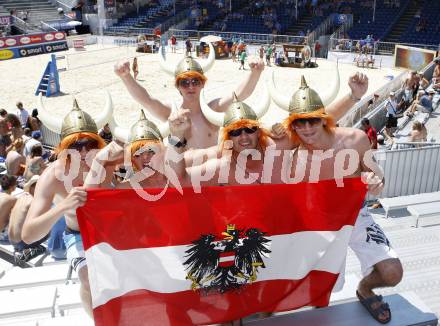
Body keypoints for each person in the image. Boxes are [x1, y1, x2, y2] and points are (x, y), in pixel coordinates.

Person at [279, 78, 402, 324]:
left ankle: (365, 288)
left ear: (324, 118)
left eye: (312, 120)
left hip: (356, 215)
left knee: (392, 273)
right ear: (292, 126)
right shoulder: (292, 158)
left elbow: (377, 176)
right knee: (324, 289)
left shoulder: (355, 140)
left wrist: (375, 180)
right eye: (299, 122)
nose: (306, 128)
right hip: (320, 224)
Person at [21, 101, 106, 316]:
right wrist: (64, 206)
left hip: (109, 231)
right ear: (64, 147)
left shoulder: (108, 165)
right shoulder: (53, 176)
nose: (84, 151)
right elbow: (28, 235)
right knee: (88, 278)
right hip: (77, 234)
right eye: (76, 146)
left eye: (89, 143)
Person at [114, 47, 264, 149]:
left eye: (195, 81)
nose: (191, 86)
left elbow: (239, 94)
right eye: (185, 82)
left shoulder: (213, 109)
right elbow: (146, 100)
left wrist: (255, 73)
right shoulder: (171, 112)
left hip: (210, 179)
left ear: (202, 84)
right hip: (183, 179)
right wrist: (126, 77)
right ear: (178, 86)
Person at [8, 176, 47, 266]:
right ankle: (27, 251)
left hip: (11, 240)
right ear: (34, 187)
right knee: (51, 228)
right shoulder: (33, 201)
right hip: (21, 243)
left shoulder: (22, 197)